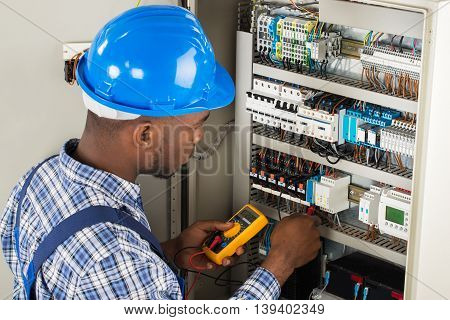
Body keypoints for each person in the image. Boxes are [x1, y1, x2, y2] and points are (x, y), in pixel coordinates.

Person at [0, 5, 321, 300]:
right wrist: (279, 264)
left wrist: (168, 251)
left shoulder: (39, 178)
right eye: (197, 124)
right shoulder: (115, 255)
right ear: (145, 135)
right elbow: (111, 269)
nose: (200, 137)